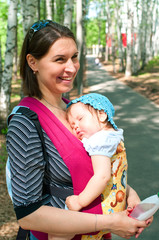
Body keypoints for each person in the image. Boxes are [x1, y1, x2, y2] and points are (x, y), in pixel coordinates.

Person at [6, 19, 152, 240]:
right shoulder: (26, 122)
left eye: (74, 57)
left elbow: (93, 167)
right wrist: (110, 222)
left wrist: (129, 193)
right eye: (59, 59)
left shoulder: (74, 111)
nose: (72, 67)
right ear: (33, 62)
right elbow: (29, 214)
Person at [64, 93, 127, 240]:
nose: (76, 126)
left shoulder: (99, 140)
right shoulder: (113, 137)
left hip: (102, 210)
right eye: (73, 125)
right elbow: (116, 173)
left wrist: (79, 201)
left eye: (80, 119)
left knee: (59, 233)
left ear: (102, 115)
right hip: (116, 205)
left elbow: (102, 176)